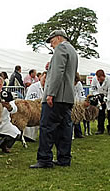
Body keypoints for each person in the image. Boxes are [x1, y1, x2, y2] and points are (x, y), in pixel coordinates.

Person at [30, 30, 78, 168]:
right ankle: (64, 158)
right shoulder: (72, 50)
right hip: (67, 97)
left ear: (58, 38)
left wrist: (51, 93)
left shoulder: (61, 48)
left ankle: (44, 159)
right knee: (64, 128)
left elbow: (58, 73)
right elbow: (65, 71)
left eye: (52, 41)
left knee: (47, 127)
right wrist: (51, 66)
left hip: (56, 97)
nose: (51, 45)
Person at [91, 69, 110, 135]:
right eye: (98, 78)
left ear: (104, 76)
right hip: (100, 97)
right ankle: (100, 129)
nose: (99, 80)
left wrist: (105, 100)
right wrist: (98, 96)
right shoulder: (94, 79)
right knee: (100, 114)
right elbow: (93, 89)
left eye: (100, 78)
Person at [23, 71, 47, 141]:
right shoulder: (33, 87)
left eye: (47, 78)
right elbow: (31, 101)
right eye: (44, 78)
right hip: (33, 109)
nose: (45, 80)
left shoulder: (49, 87)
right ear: (40, 77)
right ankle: (28, 137)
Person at [73, 72, 85, 139]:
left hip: (76, 103)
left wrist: (81, 103)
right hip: (68, 102)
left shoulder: (79, 84)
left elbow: (81, 93)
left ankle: (78, 133)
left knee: (77, 118)